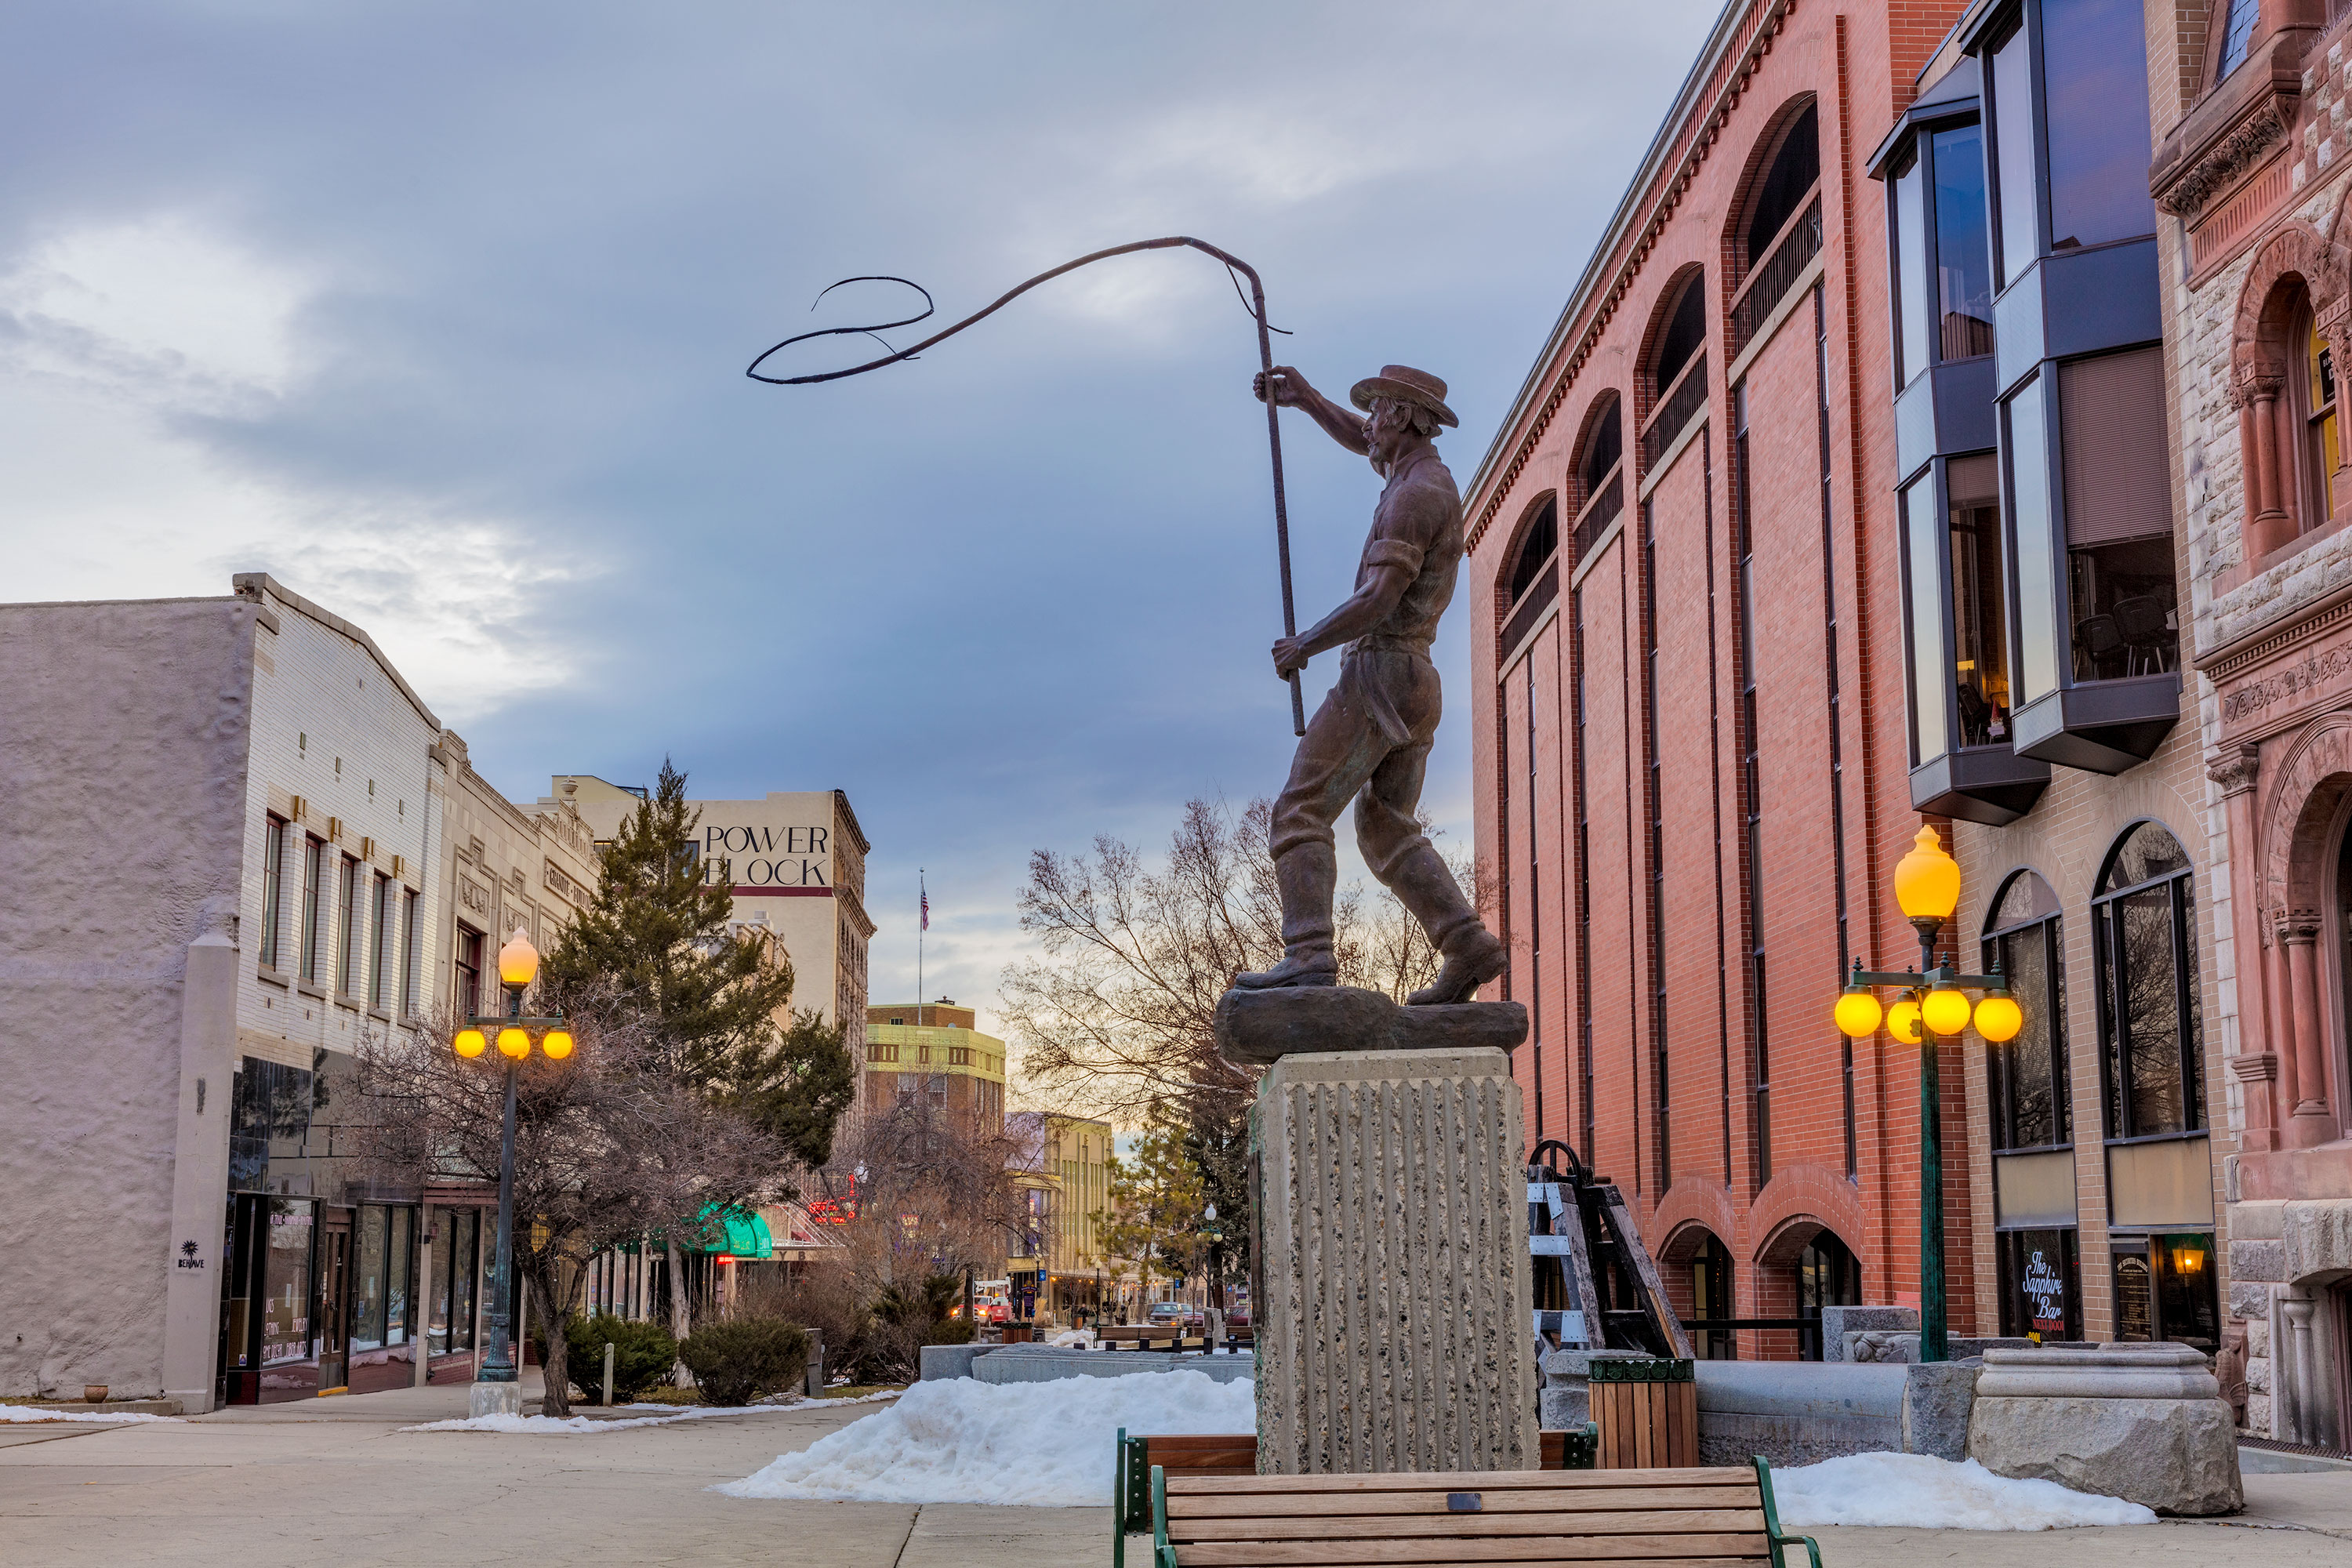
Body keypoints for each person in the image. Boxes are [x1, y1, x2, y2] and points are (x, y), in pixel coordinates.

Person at [1236, 362, 1508, 1005]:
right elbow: (1359, 440)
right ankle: (1466, 941)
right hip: (1415, 681)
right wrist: (1305, 399)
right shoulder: (1413, 474)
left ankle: (1307, 956)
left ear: (1408, 420)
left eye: (1381, 411)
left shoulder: (1417, 496)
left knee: (1299, 809)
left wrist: (1307, 642)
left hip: (1380, 672)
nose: (1370, 424)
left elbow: (1381, 598)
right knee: (1385, 828)